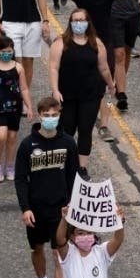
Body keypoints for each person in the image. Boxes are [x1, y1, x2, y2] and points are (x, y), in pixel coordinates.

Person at [14, 96, 78, 278]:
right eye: (46, 116)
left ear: (59, 115)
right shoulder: (27, 145)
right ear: (39, 116)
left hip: (60, 209)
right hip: (36, 208)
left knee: (59, 251)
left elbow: (73, 176)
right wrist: (25, 208)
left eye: (54, 115)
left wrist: (71, 204)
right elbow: (21, 179)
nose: (50, 119)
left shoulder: (68, 143)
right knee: (38, 248)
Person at [49, 9, 114, 172]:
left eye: (82, 20)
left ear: (88, 23)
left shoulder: (96, 43)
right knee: (66, 130)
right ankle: (65, 165)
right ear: (70, 23)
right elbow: (53, 68)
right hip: (67, 95)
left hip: (90, 94)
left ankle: (82, 167)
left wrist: (111, 85)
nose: (78, 23)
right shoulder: (61, 42)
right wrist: (55, 90)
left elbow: (104, 68)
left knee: (85, 130)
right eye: (75, 20)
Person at [0, 35, 32, 181]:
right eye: (3, 51)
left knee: (11, 137)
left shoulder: (18, 67)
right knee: (1, 135)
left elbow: (24, 89)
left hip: (14, 108)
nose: (6, 53)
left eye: (9, 51)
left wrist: (29, 106)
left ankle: (9, 165)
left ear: (13, 51)